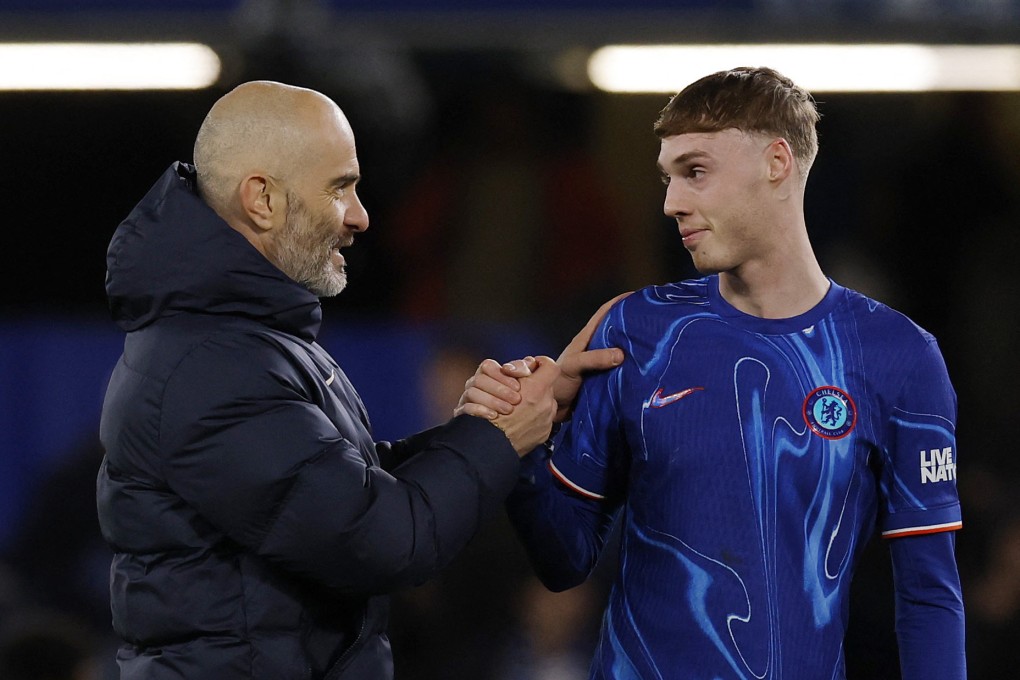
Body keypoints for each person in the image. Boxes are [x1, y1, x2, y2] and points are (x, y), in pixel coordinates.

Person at [96, 80, 621, 680]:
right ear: (261, 199)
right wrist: (496, 437)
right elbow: (382, 539)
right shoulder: (213, 365)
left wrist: (487, 422)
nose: (360, 216)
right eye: (339, 187)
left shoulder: (240, 343)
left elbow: (343, 489)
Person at [460, 67, 965, 679]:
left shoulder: (898, 355)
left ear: (777, 162)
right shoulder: (635, 330)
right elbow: (564, 561)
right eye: (668, 177)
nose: (671, 202)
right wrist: (522, 442)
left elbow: (929, 595)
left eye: (695, 171)